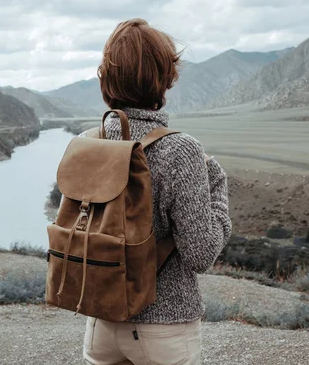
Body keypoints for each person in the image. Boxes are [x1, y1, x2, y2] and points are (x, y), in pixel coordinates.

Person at [82, 19, 232, 365]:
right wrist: (217, 191)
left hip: (100, 321)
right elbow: (201, 254)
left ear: (108, 78)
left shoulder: (91, 141)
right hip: (164, 330)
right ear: (162, 78)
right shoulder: (181, 150)